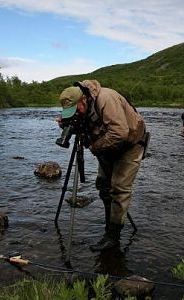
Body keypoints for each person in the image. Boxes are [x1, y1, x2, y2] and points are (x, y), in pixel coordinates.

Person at [57, 80, 147, 251]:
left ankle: (113, 237)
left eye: (75, 110)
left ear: (83, 99)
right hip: (108, 144)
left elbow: (120, 133)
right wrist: (70, 124)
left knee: (119, 189)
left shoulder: (106, 99)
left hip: (130, 144)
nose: (75, 113)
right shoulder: (82, 105)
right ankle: (110, 226)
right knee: (104, 186)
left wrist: (94, 147)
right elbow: (90, 125)